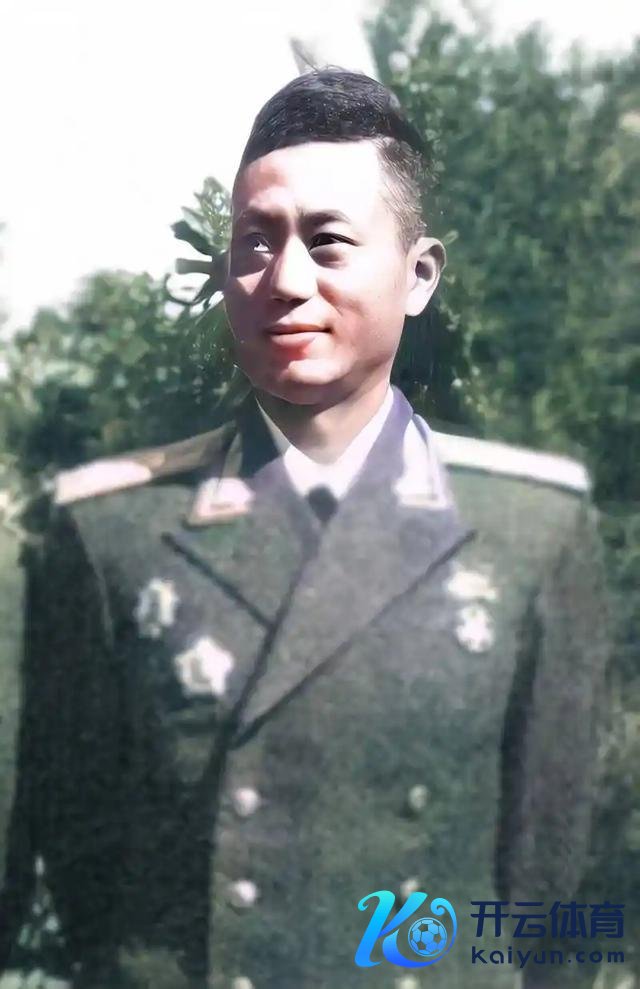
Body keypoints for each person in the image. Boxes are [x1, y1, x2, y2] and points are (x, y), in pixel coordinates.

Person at [0, 69, 610, 989]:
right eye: (254, 244)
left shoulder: (530, 531)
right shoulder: (114, 530)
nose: (284, 281)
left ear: (418, 275)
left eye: (328, 243)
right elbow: (76, 861)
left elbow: (546, 895)